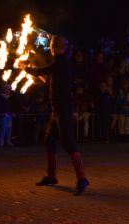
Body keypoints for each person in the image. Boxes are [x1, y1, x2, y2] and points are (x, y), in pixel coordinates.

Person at [19, 35, 89, 195]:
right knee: (49, 140)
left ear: (54, 47)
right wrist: (41, 76)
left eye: (50, 45)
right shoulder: (60, 64)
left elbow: (41, 71)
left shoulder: (60, 62)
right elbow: (52, 82)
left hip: (63, 110)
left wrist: (25, 67)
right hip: (57, 111)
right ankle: (51, 176)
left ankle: (82, 178)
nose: (50, 48)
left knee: (69, 144)